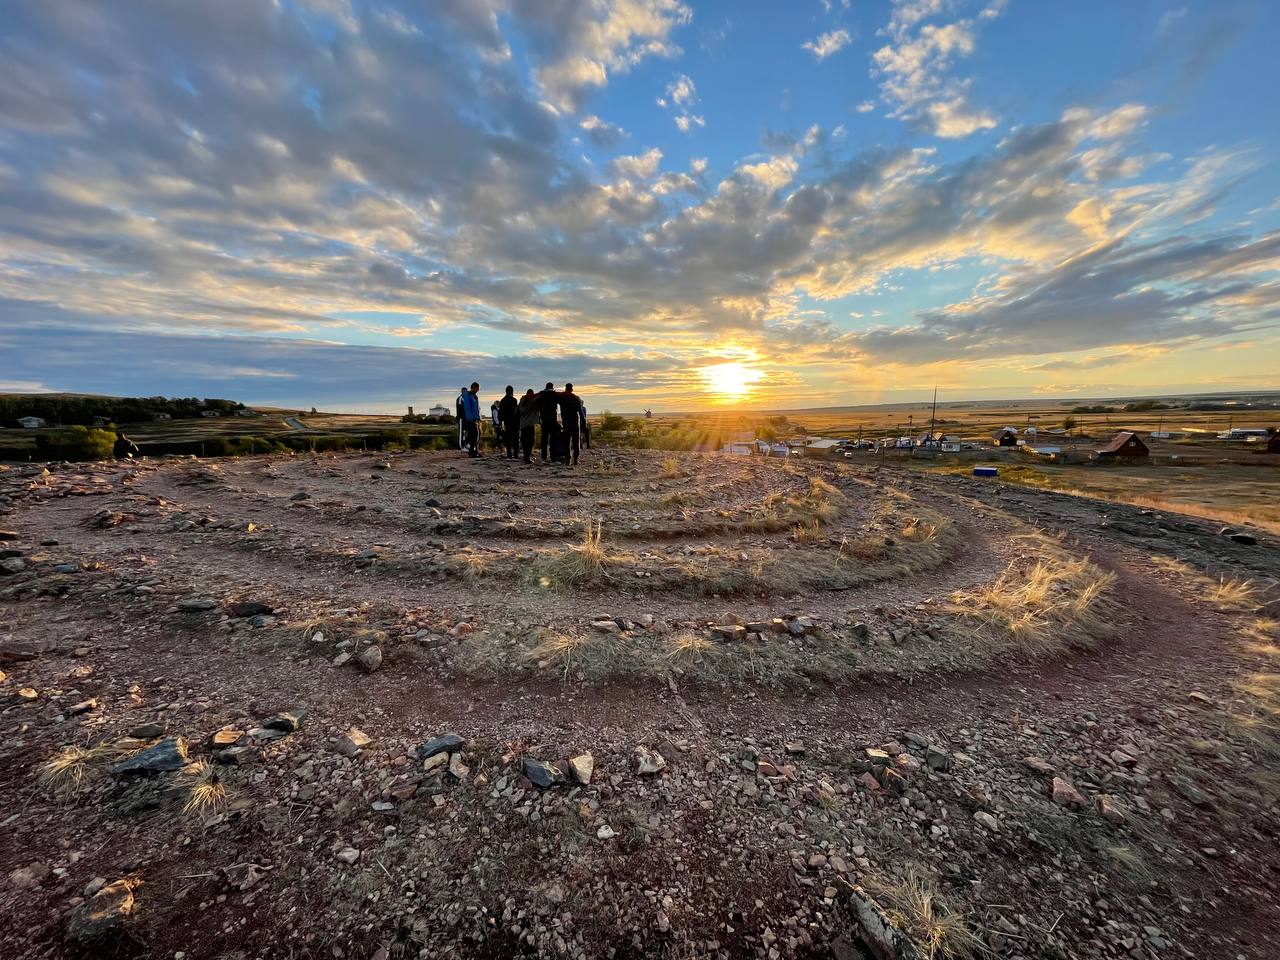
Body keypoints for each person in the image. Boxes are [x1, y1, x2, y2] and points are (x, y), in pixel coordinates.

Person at [558, 383, 584, 466]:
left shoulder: (562, 398)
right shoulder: (576, 398)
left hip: (566, 423)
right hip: (575, 423)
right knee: (576, 443)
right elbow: (581, 412)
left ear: (566, 388)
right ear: (572, 389)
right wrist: (583, 422)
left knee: (567, 443)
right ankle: (575, 460)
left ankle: (568, 460)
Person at [536, 381, 561, 462]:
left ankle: (544, 456)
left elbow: (536, 403)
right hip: (553, 420)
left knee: (544, 439)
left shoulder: (541, 395)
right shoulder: (554, 395)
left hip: (544, 420)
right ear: (552, 387)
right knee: (553, 439)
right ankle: (553, 457)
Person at [517, 388, 538, 464]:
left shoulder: (521, 401)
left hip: (522, 425)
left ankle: (525, 456)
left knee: (524, 442)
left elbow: (517, 412)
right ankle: (527, 458)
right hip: (530, 424)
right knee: (530, 441)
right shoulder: (533, 402)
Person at [498, 386, 520, 460]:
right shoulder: (514, 400)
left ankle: (509, 454)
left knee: (508, 439)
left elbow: (500, 413)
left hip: (506, 422)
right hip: (514, 422)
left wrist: (501, 423)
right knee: (516, 439)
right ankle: (516, 454)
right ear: (512, 391)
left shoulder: (502, 401)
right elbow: (516, 412)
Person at [461, 381, 481, 457]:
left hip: (476, 418)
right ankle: (471, 452)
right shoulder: (467, 395)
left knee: (477, 435)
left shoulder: (475, 396)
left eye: (478, 389)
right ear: (473, 387)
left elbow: (476, 409)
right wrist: (470, 418)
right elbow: (467, 408)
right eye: (477, 388)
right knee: (474, 435)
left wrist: (478, 418)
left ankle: (475, 451)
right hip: (470, 419)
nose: (478, 390)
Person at [455, 386, 469, 451]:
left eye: (466, 391)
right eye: (464, 391)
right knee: (461, 432)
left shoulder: (466, 399)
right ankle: (461, 447)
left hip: (466, 418)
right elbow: (460, 408)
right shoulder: (460, 398)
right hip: (461, 418)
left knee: (465, 432)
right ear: (462, 392)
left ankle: (465, 445)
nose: (465, 393)